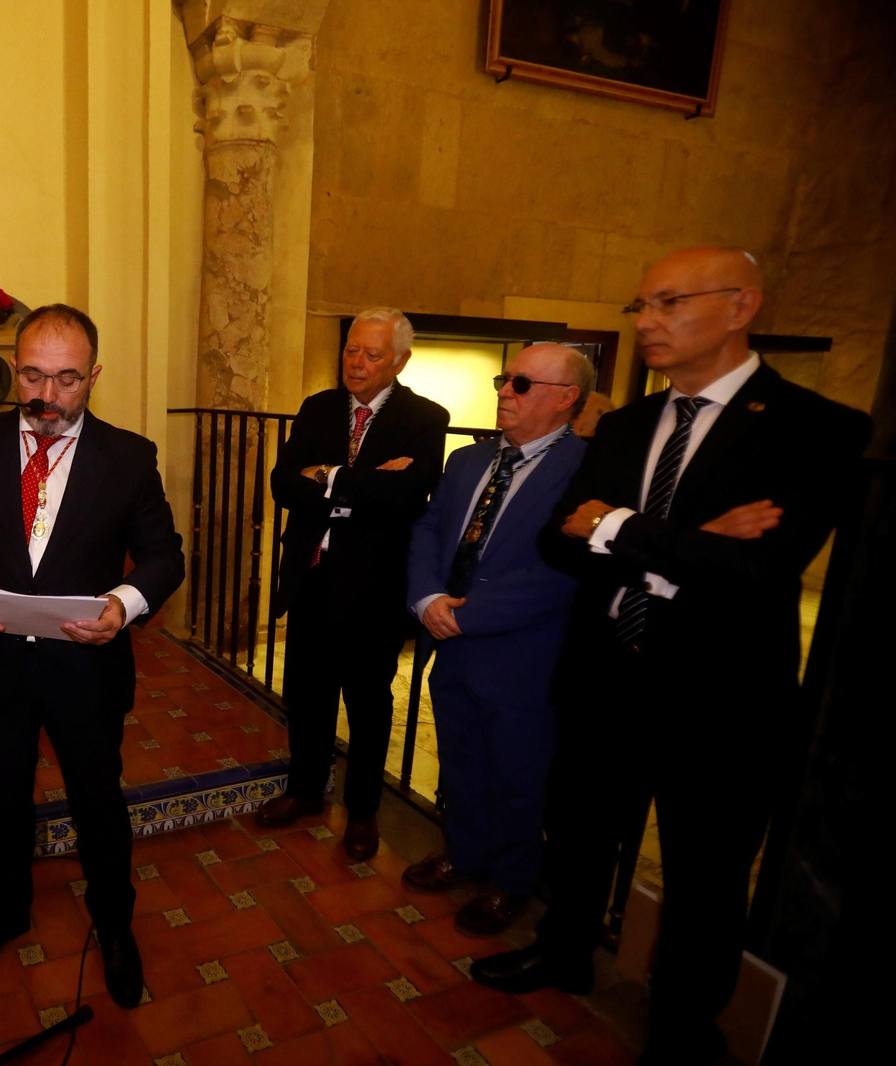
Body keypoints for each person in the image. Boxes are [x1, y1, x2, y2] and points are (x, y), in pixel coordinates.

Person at [471, 248, 873, 1066]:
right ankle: (565, 950)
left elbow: (761, 564)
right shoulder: (621, 426)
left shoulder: (816, 427)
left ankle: (686, 1021)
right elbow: (559, 542)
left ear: (739, 306)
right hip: (605, 672)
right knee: (581, 832)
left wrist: (616, 527)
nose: (646, 322)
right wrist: (688, 543)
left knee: (706, 872)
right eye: (641, 305)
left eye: (668, 302)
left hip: (719, 695)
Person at [0, 303, 184, 1008]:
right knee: (2, 799)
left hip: (83, 669)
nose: (46, 397)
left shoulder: (130, 456)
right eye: (32, 376)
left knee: (97, 802)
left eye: (65, 380)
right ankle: (6, 911)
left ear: (93, 377)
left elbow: (162, 556)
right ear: (13, 369)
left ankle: (114, 925)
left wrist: (122, 604)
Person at [402, 343, 593, 937]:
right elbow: (429, 530)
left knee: (518, 771)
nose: (505, 392)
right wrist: (429, 598)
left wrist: (470, 614)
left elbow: (568, 569)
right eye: (505, 380)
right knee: (460, 757)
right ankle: (465, 852)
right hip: (450, 639)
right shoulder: (468, 460)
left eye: (522, 384)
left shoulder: (587, 470)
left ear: (566, 399)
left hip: (522, 653)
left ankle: (510, 881)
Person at [254, 308, 449, 860]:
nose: (357, 363)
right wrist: (359, 482)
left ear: (401, 361)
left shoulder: (425, 418)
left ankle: (363, 812)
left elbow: (405, 496)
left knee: (367, 703)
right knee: (307, 694)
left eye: (372, 354)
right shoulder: (317, 408)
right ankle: (305, 791)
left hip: (375, 587)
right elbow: (283, 484)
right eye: (351, 351)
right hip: (313, 576)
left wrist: (328, 476)